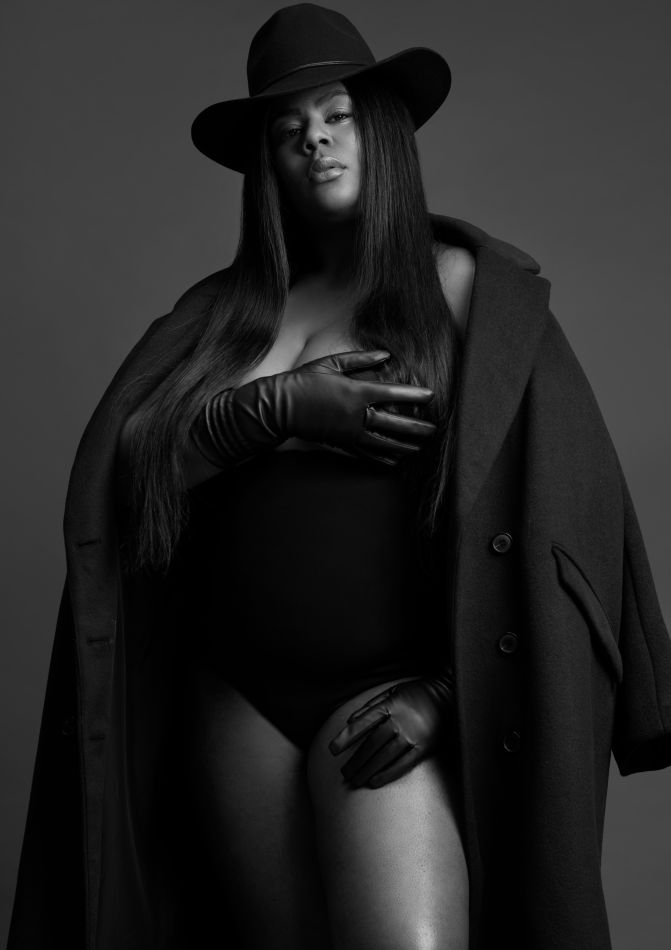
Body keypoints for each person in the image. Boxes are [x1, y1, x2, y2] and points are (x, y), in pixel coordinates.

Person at [9, 5, 671, 950]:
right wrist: (267, 410)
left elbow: (574, 519)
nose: (313, 141)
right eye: (288, 130)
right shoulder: (221, 317)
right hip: (235, 702)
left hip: (384, 694)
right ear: (265, 166)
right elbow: (125, 478)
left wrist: (446, 694)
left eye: (336, 116)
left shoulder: (464, 289)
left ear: (382, 131)